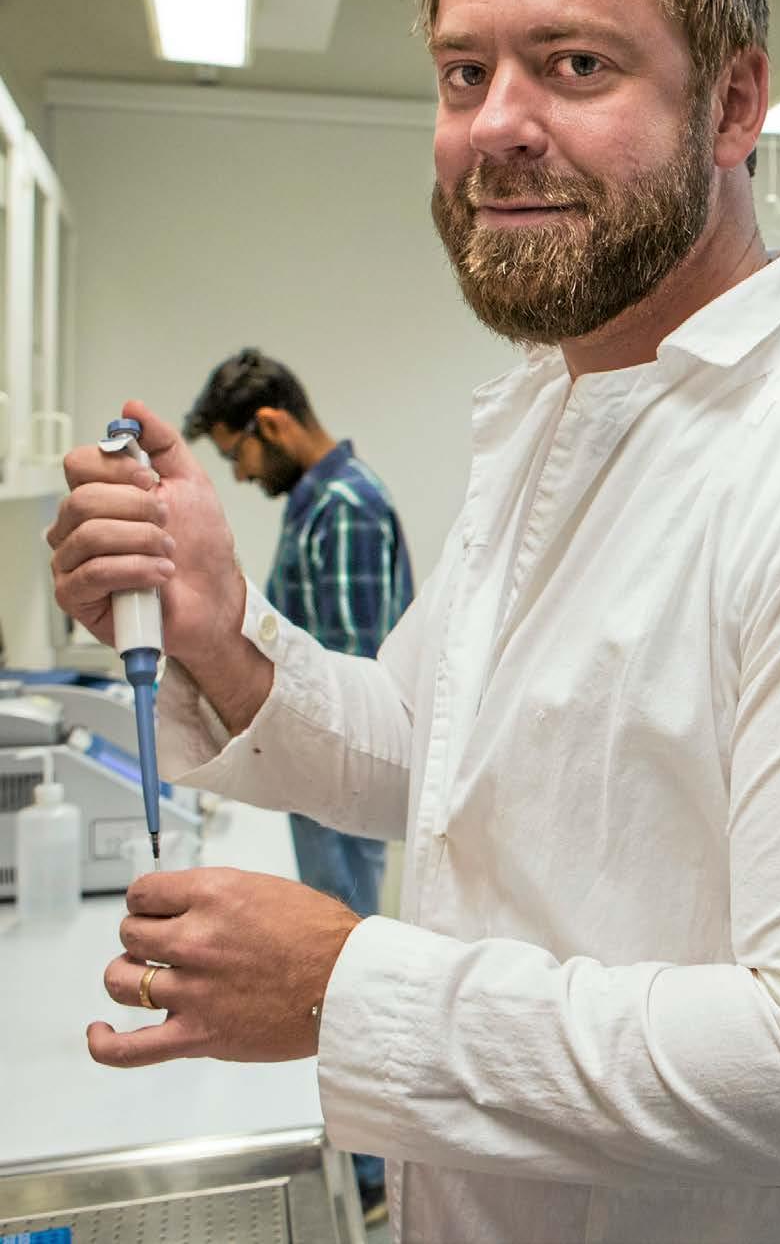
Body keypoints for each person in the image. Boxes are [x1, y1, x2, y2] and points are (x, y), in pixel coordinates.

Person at [48, 0, 780, 1244]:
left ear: (731, 103)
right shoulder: (561, 405)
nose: (495, 123)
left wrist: (342, 986)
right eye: (462, 71)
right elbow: (419, 745)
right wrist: (216, 629)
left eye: (575, 64)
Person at [182, 347, 414, 1226]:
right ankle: (362, 1168)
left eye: (237, 453)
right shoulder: (320, 504)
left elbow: (352, 685)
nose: (240, 475)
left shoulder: (345, 508)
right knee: (333, 971)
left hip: (340, 788)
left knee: (338, 979)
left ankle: (366, 1181)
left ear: (270, 424)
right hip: (322, 788)